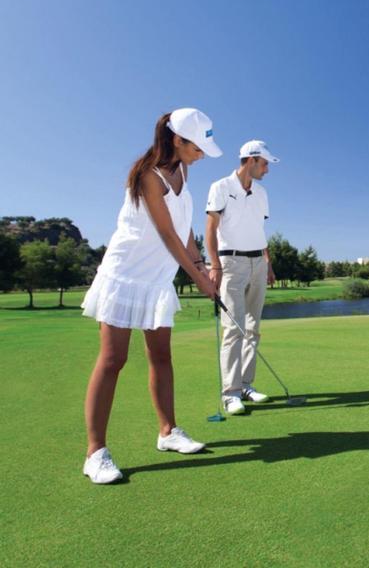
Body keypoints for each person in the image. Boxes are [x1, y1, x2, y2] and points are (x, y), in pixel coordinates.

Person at [80, 108, 222, 484]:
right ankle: (95, 453)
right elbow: (166, 235)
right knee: (113, 359)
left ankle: (168, 432)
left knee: (161, 356)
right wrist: (199, 280)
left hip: (157, 278)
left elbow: (184, 230)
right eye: (198, 146)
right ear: (177, 139)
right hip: (125, 275)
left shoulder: (183, 172)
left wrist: (203, 266)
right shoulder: (148, 176)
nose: (202, 154)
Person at [205, 139, 278, 415]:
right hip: (230, 261)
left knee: (253, 327)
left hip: (258, 261)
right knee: (232, 328)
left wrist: (268, 263)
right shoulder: (220, 187)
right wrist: (215, 265)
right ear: (251, 160)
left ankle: (246, 385)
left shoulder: (261, 194)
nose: (267, 170)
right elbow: (210, 229)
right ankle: (230, 393)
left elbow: (259, 231)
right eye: (264, 164)